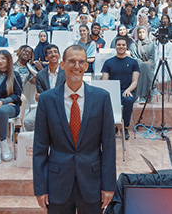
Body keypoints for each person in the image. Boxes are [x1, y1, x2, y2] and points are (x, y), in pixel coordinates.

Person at [33, 45, 116, 214]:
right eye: (71, 61)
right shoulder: (47, 100)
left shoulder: (102, 98)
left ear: (87, 66)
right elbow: (40, 148)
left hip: (92, 183)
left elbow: (109, 146)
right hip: (57, 183)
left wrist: (108, 185)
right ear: (62, 64)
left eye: (81, 62)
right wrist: (40, 188)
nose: (76, 66)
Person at [101, 37, 140, 140]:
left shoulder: (133, 62)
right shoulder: (108, 62)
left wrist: (128, 90)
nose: (121, 47)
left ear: (126, 46)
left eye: (123, 45)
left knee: (128, 100)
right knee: (105, 101)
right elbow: (105, 81)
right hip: (113, 91)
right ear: (115, 46)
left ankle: (125, 127)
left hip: (128, 90)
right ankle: (112, 126)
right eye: (119, 45)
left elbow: (135, 81)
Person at [23, 45, 64, 131]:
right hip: (45, 107)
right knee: (28, 121)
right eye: (50, 53)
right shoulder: (40, 75)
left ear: (59, 56)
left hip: (63, 107)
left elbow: (66, 93)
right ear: (46, 57)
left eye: (55, 52)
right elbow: (40, 97)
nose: (53, 54)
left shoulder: (66, 73)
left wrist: (45, 96)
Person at [130, 26, 156, 102]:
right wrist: (142, 63)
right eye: (139, 32)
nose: (141, 34)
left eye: (143, 32)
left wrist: (148, 63)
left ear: (146, 33)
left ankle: (140, 95)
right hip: (136, 66)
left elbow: (152, 58)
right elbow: (134, 57)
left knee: (145, 68)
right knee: (144, 67)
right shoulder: (133, 45)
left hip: (148, 65)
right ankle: (147, 94)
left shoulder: (151, 44)